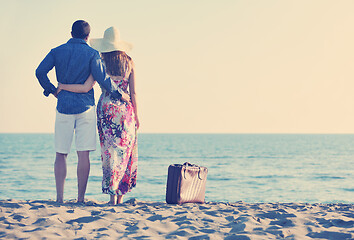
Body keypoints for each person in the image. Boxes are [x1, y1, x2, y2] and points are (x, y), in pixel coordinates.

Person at [35, 20, 130, 203]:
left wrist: (52, 90)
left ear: (71, 33)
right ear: (88, 36)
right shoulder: (92, 53)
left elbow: (39, 72)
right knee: (83, 154)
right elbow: (103, 79)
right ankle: (80, 198)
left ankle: (59, 198)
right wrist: (120, 94)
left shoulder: (56, 51)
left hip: (63, 107)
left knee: (61, 154)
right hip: (85, 109)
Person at [58, 26, 139, 205]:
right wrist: (137, 116)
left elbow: (86, 87)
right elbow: (133, 93)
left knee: (109, 154)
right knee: (125, 153)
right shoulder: (130, 62)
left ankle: (112, 198)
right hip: (126, 112)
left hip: (106, 111)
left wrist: (63, 86)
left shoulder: (100, 61)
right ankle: (121, 197)